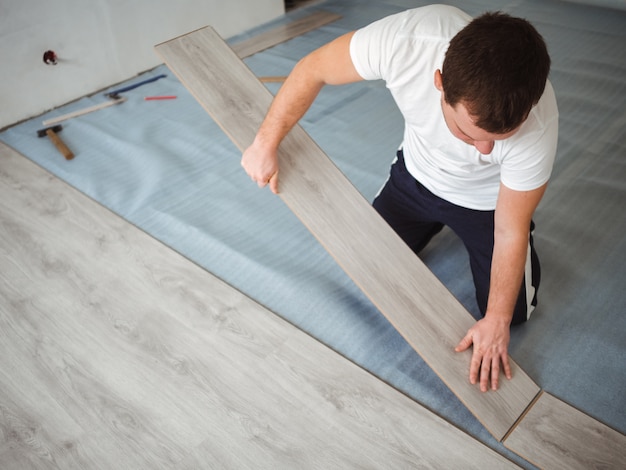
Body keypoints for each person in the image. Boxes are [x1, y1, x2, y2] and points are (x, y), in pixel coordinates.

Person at [241, 5, 558, 392]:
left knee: (512, 317)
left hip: (489, 205)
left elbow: (510, 230)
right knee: (368, 264)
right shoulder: (407, 42)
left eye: (500, 137)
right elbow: (313, 68)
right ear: (439, 82)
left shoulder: (538, 122)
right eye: (470, 133)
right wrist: (265, 142)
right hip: (416, 180)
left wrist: (494, 320)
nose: (486, 151)